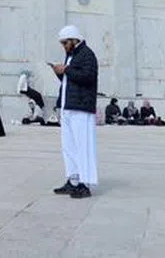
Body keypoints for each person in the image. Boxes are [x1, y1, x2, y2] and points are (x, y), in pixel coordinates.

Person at [50, 25, 98, 199]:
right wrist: (60, 72)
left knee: (82, 146)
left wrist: (67, 70)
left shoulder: (87, 54)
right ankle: (73, 180)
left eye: (65, 42)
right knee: (68, 147)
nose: (63, 46)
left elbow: (88, 77)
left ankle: (85, 184)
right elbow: (69, 80)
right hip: (68, 106)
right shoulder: (71, 56)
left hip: (81, 108)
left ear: (74, 39)